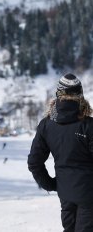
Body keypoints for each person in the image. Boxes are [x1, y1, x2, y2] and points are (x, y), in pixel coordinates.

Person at [27, 73, 93, 232]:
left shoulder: (46, 125)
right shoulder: (88, 125)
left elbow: (34, 162)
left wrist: (51, 184)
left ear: (59, 94)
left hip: (65, 192)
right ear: (80, 95)